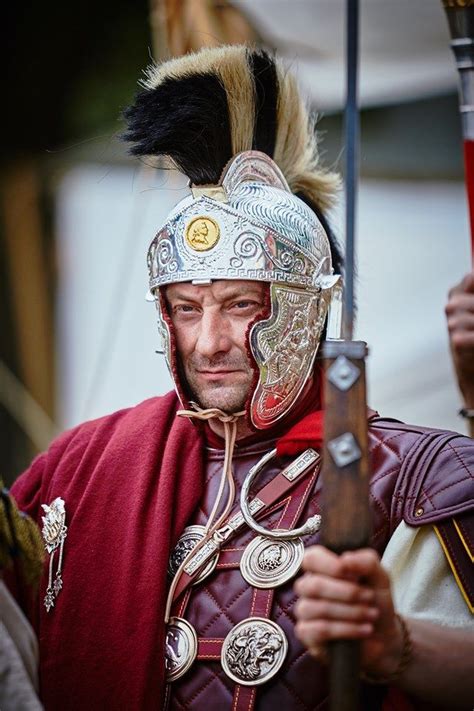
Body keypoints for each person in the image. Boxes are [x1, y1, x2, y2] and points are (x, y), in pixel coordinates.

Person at [9, 46, 474, 711]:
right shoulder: (81, 469)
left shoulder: (416, 475)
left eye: (239, 304)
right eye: (186, 308)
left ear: (301, 307)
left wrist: (399, 645)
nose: (208, 341)